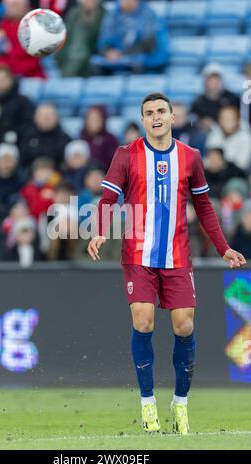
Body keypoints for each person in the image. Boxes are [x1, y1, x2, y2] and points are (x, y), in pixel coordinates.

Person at [87, 93, 246, 435]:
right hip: (138, 255)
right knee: (143, 321)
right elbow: (108, 198)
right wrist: (100, 231)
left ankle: (180, 403)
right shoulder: (126, 154)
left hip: (177, 257)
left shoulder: (190, 157)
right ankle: (147, 403)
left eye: (161, 111)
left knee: (183, 326)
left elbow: (203, 207)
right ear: (143, 120)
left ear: (173, 117)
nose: (155, 117)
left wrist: (224, 248)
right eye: (149, 113)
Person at [56, 0, 105, 77]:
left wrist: (90, 16)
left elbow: (101, 36)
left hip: (90, 52)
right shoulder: (74, 13)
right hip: (69, 53)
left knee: (79, 54)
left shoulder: (103, 13)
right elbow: (66, 35)